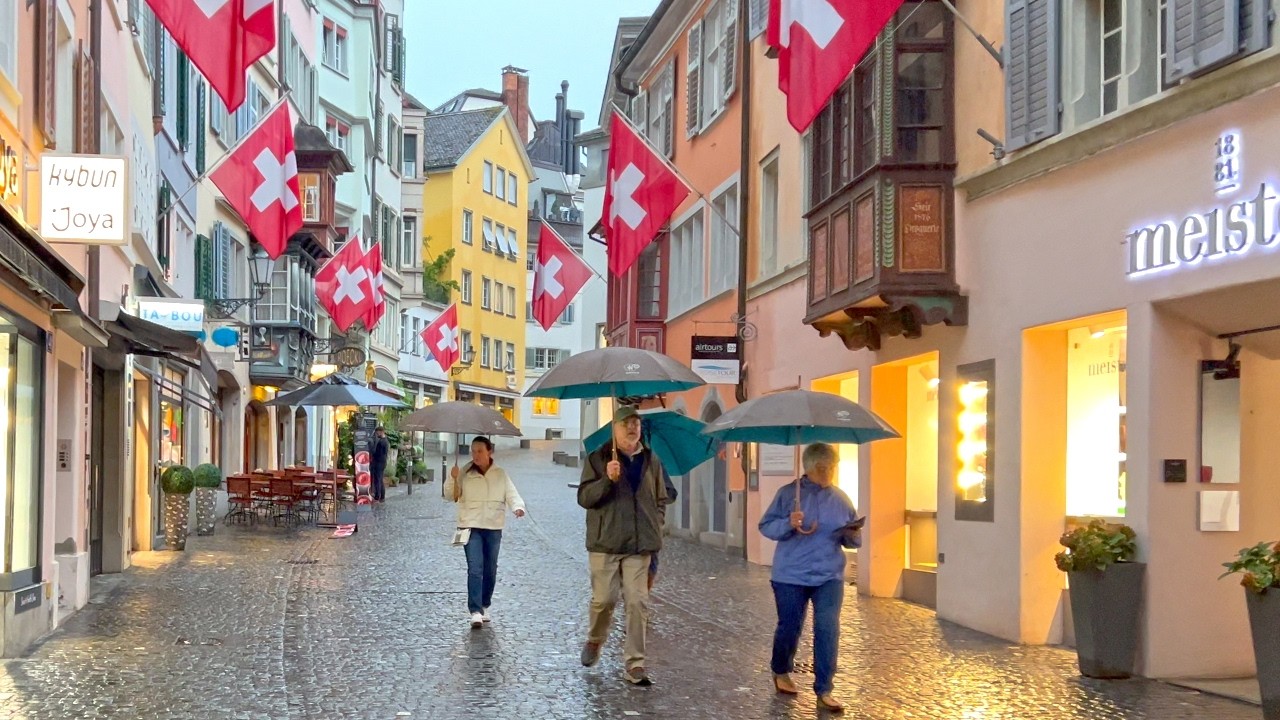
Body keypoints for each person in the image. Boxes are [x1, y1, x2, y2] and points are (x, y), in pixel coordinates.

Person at [758, 443, 861, 714]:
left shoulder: (840, 498)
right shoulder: (787, 495)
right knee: (790, 626)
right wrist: (787, 524)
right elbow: (766, 526)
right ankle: (781, 669)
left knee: (828, 628)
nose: (829, 472)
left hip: (829, 575)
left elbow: (853, 539)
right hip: (790, 574)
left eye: (832, 467)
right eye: (824, 468)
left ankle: (824, 689)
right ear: (810, 468)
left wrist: (851, 534)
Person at [577, 405, 667, 686]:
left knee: (638, 602)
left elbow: (661, 498)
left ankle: (635, 664)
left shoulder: (651, 460)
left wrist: (655, 522)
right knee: (604, 600)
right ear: (613, 429)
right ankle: (595, 639)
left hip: (640, 545)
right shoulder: (598, 458)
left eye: (636, 423)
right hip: (605, 543)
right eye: (626, 423)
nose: (632, 428)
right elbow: (584, 498)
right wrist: (608, 479)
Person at [445, 436, 526, 629]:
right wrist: (452, 478)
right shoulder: (464, 472)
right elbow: (450, 496)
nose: (475, 455)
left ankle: (484, 604)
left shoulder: (500, 474)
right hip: (470, 525)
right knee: (475, 568)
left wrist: (518, 507)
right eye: (473, 451)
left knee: (490, 568)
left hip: (493, 526)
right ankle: (474, 610)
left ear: (490, 452)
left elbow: (511, 493)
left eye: (480, 451)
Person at [647, 469, 678, 591]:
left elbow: (670, 494)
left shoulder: (653, 462)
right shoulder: (605, 461)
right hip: (618, 536)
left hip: (648, 531)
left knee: (639, 596)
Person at [370, 426, 391, 502]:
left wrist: (372, 453)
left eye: (377, 432)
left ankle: (378, 495)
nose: (376, 434)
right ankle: (381, 496)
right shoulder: (385, 440)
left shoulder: (382, 442)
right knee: (379, 479)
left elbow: (378, 453)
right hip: (382, 462)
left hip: (379, 462)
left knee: (378, 479)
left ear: (381, 432)